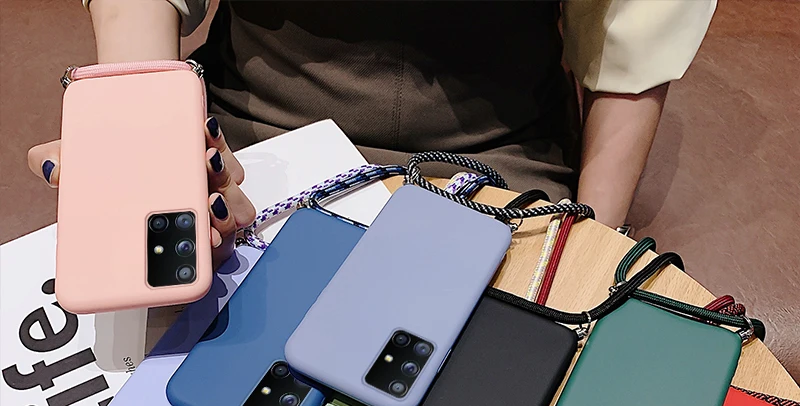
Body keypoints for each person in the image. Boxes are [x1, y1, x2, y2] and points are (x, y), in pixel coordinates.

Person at [28, 0, 716, 265]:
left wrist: (592, 246)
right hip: (246, 136)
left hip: (493, 158)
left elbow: (634, 35)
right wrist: (142, 124)